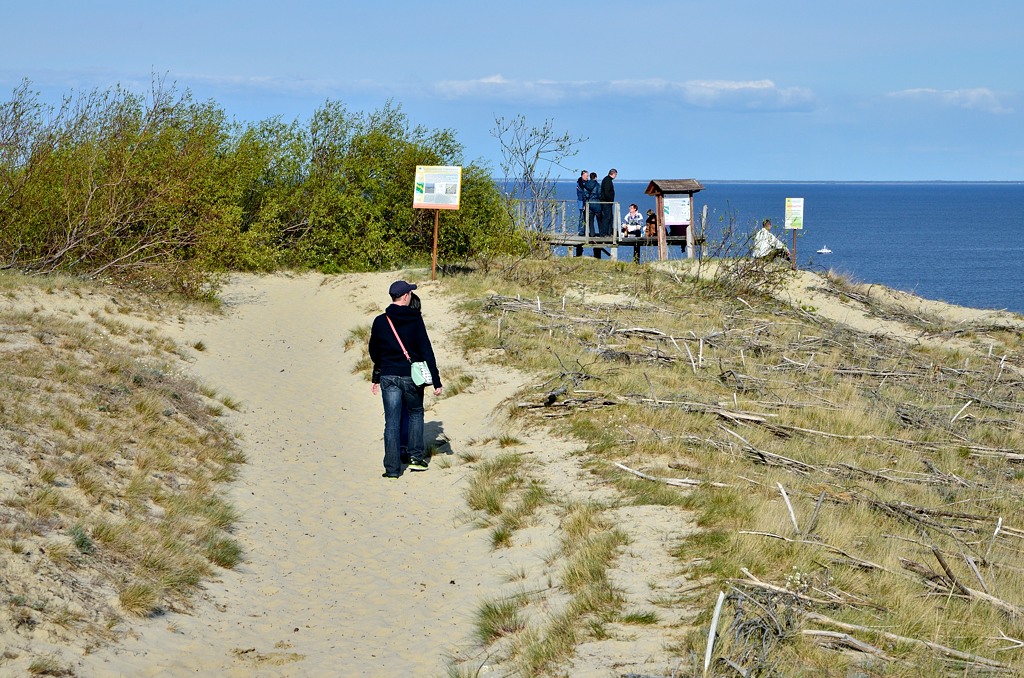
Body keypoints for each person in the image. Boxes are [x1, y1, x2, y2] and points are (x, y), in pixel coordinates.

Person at [368, 281, 442, 478]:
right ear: (407, 295)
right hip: (411, 375)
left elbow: (374, 352)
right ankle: (416, 458)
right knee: (416, 413)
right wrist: (436, 380)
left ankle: (392, 469)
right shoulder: (415, 319)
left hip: (389, 375)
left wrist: (383, 367)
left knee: (391, 422)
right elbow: (427, 350)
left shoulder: (380, 321)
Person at [600, 169, 617, 237]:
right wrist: (610, 199)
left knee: (609, 217)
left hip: (607, 202)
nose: (615, 176)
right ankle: (604, 233)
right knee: (607, 217)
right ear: (613, 174)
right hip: (606, 202)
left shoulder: (607, 180)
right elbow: (607, 192)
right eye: (615, 174)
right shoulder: (607, 181)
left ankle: (609, 232)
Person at [575, 170, 588, 236]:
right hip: (581, 202)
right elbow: (582, 195)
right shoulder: (580, 184)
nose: (587, 177)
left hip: (583, 202)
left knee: (584, 217)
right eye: (586, 176)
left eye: (587, 176)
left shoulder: (585, 183)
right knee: (582, 217)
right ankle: (581, 232)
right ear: (582, 175)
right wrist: (584, 204)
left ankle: (583, 231)